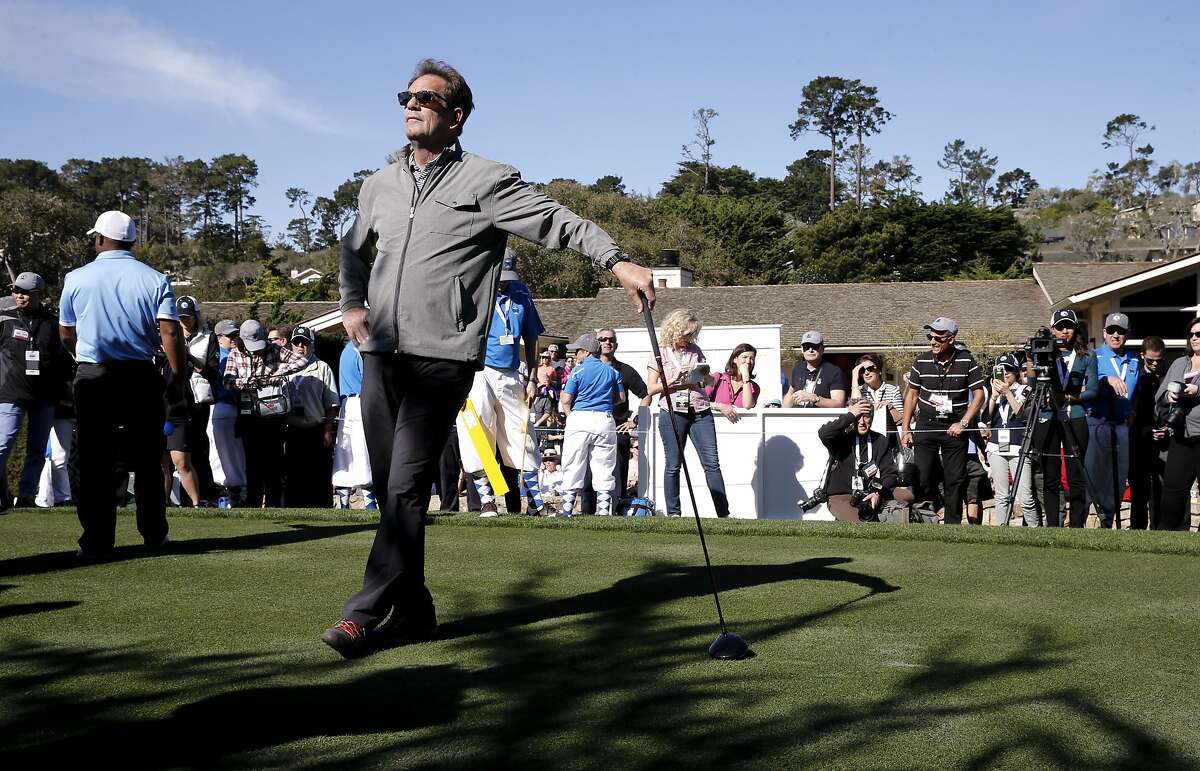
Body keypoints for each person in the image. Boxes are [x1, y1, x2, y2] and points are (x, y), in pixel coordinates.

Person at [324, 58, 654, 658]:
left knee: (403, 488)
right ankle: (416, 610)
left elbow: (557, 221)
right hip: (382, 355)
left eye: (426, 97)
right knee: (392, 491)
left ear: (456, 116)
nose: (412, 103)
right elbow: (353, 249)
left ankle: (362, 612)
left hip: (442, 358)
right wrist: (351, 306)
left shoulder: (486, 180)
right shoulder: (378, 184)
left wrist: (616, 259)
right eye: (407, 95)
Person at [59, 210, 185, 559]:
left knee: (94, 460)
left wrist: (82, 359)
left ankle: (97, 540)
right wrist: (176, 378)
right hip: (139, 376)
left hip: (94, 376)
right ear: (132, 241)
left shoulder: (75, 278)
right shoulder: (155, 278)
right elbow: (170, 332)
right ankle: (154, 535)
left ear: (100, 239)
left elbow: (66, 334)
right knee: (146, 459)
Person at [454, 251, 546, 517]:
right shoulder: (473, 289)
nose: (504, 283)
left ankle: (536, 503)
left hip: (512, 372)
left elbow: (532, 337)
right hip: (478, 371)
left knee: (522, 434)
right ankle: (487, 500)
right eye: (500, 278)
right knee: (478, 433)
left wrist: (531, 378)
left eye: (508, 278)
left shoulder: (521, 292)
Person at [900, 316, 986, 525]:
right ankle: (923, 519)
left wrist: (964, 423)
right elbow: (911, 396)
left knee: (955, 479)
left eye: (938, 336)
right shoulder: (921, 361)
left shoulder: (967, 360)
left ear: (952, 338)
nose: (933, 341)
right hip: (926, 423)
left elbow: (979, 395)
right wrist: (905, 429)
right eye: (930, 336)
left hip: (954, 425)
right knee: (922, 476)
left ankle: (952, 526)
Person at [646, 308, 730, 518]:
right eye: (686, 334)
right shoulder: (660, 352)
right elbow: (651, 388)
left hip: (700, 409)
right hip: (673, 411)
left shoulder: (695, 350)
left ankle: (724, 514)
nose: (688, 339)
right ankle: (674, 512)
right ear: (675, 330)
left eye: (692, 334)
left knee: (712, 463)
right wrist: (674, 379)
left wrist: (704, 376)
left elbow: (707, 379)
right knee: (673, 464)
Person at [223, 319, 306, 508]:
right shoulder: (235, 355)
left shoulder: (274, 349)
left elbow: (301, 360)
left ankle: (274, 505)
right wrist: (242, 382)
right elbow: (226, 381)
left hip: (272, 414)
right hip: (248, 415)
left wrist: (279, 372)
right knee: (252, 463)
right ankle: (253, 504)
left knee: (274, 463)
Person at [0, 272, 64, 509]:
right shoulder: (4, 319)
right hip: (10, 392)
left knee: (37, 451)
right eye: (16, 291)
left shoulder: (51, 323)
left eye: (25, 292)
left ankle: (26, 496)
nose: (19, 295)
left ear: (38, 295)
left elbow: (60, 360)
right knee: (3, 443)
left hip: (43, 396)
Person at [1032, 309, 1098, 528]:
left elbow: (1093, 391)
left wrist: (1068, 397)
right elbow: (1033, 386)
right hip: (1048, 417)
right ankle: (1053, 526)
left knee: (1076, 474)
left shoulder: (1087, 355)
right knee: (1050, 475)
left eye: (1068, 326)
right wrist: (1031, 360)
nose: (1064, 331)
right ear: (1052, 329)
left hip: (1075, 417)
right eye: (1060, 327)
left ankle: (1077, 526)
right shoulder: (1045, 352)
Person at [579, 327, 651, 513]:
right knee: (588, 476)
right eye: (602, 339)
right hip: (590, 428)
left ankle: (614, 516)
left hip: (617, 431)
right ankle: (587, 516)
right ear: (596, 343)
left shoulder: (625, 371)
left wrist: (635, 420)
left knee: (617, 477)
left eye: (610, 339)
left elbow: (646, 394)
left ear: (616, 345)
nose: (607, 342)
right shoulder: (584, 369)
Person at [559, 332, 625, 517]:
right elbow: (621, 398)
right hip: (604, 419)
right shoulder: (612, 371)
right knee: (604, 464)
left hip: (580, 418)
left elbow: (566, 398)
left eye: (578, 351)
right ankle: (604, 511)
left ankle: (566, 510)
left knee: (573, 463)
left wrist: (570, 415)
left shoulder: (578, 370)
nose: (575, 355)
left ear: (586, 351)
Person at [816, 397, 910, 522]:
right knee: (862, 521)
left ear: (872, 418)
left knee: (907, 496)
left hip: (869, 493)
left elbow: (889, 474)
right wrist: (850, 415)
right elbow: (824, 433)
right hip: (842, 495)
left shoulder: (880, 440)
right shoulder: (840, 438)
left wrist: (877, 493)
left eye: (866, 416)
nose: (861, 422)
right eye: (858, 416)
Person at [1085, 312, 1139, 528]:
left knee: (1117, 478)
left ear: (1127, 335)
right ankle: (1083, 522)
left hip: (1122, 425)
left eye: (1121, 332)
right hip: (1098, 422)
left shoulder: (1135, 360)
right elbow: (1085, 386)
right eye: (1112, 331)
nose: (1116, 335)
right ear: (1104, 333)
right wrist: (1105, 379)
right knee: (1092, 473)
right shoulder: (1092, 357)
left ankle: (1107, 524)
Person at [284, 325, 339, 507]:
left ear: (312, 345)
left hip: (315, 428)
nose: (301, 346)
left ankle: (322, 507)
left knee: (318, 474)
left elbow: (331, 404)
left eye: (305, 342)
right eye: (296, 342)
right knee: (294, 474)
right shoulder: (283, 369)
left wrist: (328, 430)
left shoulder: (322, 368)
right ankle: (295, 506)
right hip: (291, 429)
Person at [979, 353, 1036, 527]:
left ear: (1017, 372)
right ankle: (1002, 530)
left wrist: (1008, 393)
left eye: (1009, 371)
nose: (1005, 375)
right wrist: (994, 396)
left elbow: (1023, 415)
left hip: (1019, 447)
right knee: (1001, 495)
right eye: (1001, 371)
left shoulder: (1025, 390)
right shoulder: (995, 393)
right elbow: (986, 419)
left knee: (1025, 496)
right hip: (997, 447)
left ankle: (1035, 529)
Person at [1155, 318, 1200, 531]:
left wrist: (1197, 391)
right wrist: (1169, 396)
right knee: (1172, 492)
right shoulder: (1179, 363)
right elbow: (1159, 396)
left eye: (1199, 334)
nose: (1194, 338)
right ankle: (1166, 537)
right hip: (1182, 436)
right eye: (1191, 334)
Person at [177, 296, 218, 504]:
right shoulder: (170, 335)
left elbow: (212, 370)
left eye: (189, 317)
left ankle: (206, 494)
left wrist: (190, 358)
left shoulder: (208, 337)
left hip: (198, 399)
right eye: (182, 317)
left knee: (199, 446)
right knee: (181, 450)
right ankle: (185, 497)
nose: (185, 321)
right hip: (175, 398)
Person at [1129, 336, 1167, 529]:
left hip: (1163, 441)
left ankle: (1158, 529)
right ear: (1142, 355)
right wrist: (1146, 430)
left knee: (1159, 492)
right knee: (1139, 491)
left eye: (1158, 361)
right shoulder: (1135, 377)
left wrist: (1166, 429)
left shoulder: (1166, 377)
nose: (1154, 364)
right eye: (1150, 360)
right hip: (1138, 441)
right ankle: (1137, 530)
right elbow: (1133, 413)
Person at [206, 320, 245, 507]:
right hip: (221, 406)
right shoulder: (219, 356)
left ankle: (233, 491)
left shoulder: (235, 354)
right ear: (219, 337)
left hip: (235, 408)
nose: (234, 339)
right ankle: (226, 492)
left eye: (235, 335)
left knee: (234, 453)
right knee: (221, 454)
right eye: (229, 335)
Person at [333, 339, 375, 510]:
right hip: (359, 403)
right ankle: (369, 504)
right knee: (363, 455)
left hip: (347, 405)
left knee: (347, 456)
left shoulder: (348, 349)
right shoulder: (359, 349)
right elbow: (370, 380)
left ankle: (344, 504)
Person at [849, 353, 903, 447]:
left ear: (879, 370)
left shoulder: (893, 390)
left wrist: (890, 407)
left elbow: (902, 420)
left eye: (870, 368)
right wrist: (854, 379)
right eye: (862, 370)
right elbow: (855, 408)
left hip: (888, 440)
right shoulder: (858, 391)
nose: (866, 373)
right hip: (866, 440)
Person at [785, 330, 846, 408]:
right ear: (802, 349)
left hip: (822, 419)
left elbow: (839, 404)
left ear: (822, 349)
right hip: (798, 417)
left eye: (815, 346)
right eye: (806, 347)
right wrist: (780, 414)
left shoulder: (834, 372)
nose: (810, 350)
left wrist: (814, 398)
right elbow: (790, 394)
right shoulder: (798, 368)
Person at [710, 343, 761, 419]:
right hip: (714, 426)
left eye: (752, 358)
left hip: (739, 429)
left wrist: (745, 377)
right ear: (735, 359)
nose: (748, 361)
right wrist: (720, 406)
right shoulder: (718, 378)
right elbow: (699, 401)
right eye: (744, 357)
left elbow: (747, 405)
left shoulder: (754, 387)